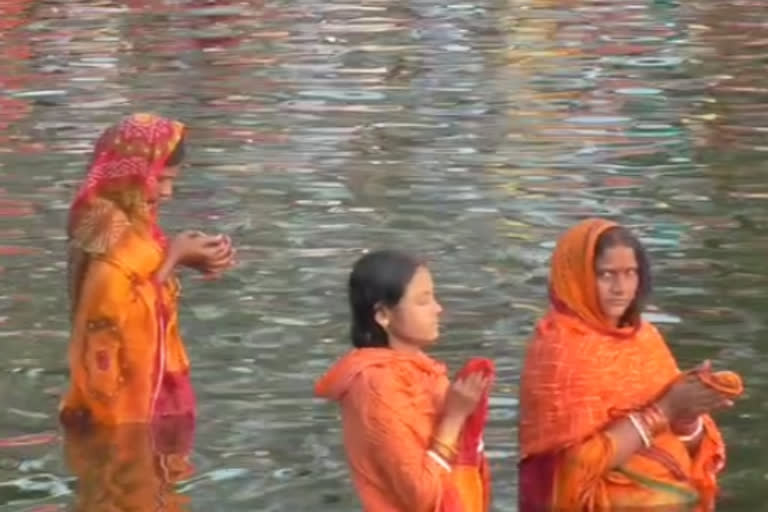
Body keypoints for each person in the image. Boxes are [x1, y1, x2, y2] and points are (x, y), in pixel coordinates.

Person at [518, 218, 743, 511]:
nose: (620, 288)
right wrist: (665, 410)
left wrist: (689, 416)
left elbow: (683, 444)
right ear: (576, 277)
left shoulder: (646, 340)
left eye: (630, 274)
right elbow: (572, 467)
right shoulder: (560, 349)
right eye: (606, 275)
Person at [60, 113, 235, 427]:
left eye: (172, 180)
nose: (167, 192)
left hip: (139, 395)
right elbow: (110, 317)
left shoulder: (135, 225)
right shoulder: (110, 232)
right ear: (132, 173)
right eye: (161, 178)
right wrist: (174, 258)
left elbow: (142, 282)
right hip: (118, 411)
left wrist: (188, 258)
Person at [315, 250, 494, 512]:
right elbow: (423, 496)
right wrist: (455, 417)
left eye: (433, 297)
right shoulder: (376, 385)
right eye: (423, 301)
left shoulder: (423, 370)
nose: (438, 308)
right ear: (383, 315)